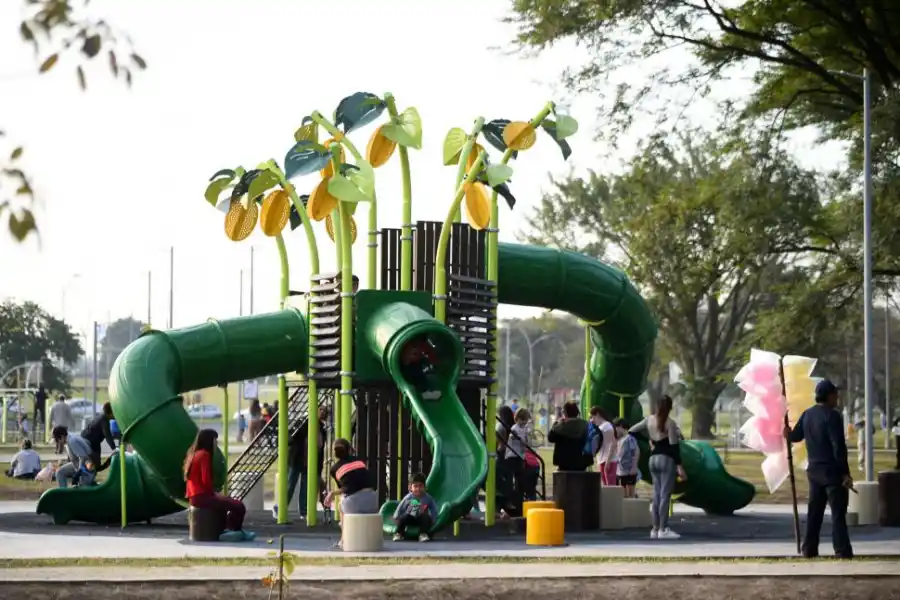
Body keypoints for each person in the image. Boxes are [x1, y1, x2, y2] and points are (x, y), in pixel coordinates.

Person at [784, 379, 853, 559]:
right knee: (838, 514)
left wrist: (787, 432)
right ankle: (842, 550)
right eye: (835, 394)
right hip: (832, 472)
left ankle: (809, 548)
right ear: (829, 396)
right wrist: (845, 473)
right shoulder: (833, 416)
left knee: (814, 513)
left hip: (814, 471)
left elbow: (795, 436)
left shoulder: (808, 414)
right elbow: (838, 446)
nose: (837, 397)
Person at [629, 395, 686, 540]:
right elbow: (674, 447)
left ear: (656, 406)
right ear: (670, 407)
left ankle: (654, 529)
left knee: (656, 495)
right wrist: (679, 466)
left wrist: (649, 440)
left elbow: (632, 431)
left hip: (652, 459)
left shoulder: (648, 420)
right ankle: (663, 528)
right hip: (666, 460)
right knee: (665, 495)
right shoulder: (670, 423)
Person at [184, 428, 255, 542]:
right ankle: (234, 530)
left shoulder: (194, 454)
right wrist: (214, 495)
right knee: (238, 506)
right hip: (202, 496)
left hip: (196, 496)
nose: (216, 443)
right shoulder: (204, 455)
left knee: (227, 502)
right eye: (215, 440)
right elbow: (206, 480)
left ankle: (231, 529)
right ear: (209, 440)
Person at [273, 406, 328, 520]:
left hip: (310, 461)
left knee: (306, 487)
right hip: (297, 459)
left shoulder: (322, 429)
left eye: (325, 410)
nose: (323, 412)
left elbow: (321, 448)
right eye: (320, 409)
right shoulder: (303, 424)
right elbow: (292, 437)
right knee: (290, 485)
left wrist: (319, 467)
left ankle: (304, 511)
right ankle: (280, 508)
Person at [324, 438, 377, 548]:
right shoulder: (359, 461)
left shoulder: (334, 469)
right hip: (373, 500)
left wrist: (332, 493)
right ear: (349, 449)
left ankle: (343, 540)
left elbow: (347, 488)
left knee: (342, 503)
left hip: (354, 504)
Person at [392, 472, 438, 542]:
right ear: (410, 487)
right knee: (405, 516)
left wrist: (434, 519)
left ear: (425, 487)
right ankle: (399, 533)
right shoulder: (408, 497)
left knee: (426, 517)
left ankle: (423, 534)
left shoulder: (428, 498)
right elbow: (401, 507)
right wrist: (396, 516)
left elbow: (433, 508)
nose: (418, 489)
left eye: (420, 486)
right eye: (415, 486)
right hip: (410, 517)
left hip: (421, 519)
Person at [547, 401, 590, 472]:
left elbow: (550, 438)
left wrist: (556, 424)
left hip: (564, 461)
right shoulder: (585, 424)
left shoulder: (559, 426)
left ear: (565, 413)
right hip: (582, 461)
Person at [81, 402, 117, 470]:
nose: (116, 415)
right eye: (115, 412)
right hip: (89, 441)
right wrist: (114, 448)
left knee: (97, 466)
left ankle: (108, 461)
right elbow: (107, 435)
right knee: (95, 466)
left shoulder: (102, 417)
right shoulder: (104, 420)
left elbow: (107, 434)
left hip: (92, 441)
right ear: (110, 413)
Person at [590, 406, 617, 486]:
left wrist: (608, 461)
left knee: (610, 486)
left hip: (608, 460)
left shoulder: (607, 426)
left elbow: (613, 444)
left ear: (598, 415)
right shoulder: (600, 427)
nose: (592, 420)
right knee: (605, 485)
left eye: (593, 417)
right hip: (602, 459)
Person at [614, 418, 640, 498]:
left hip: (628, 471)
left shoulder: (629, 439)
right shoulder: (620, 440)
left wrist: (634, 467)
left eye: (616, 428)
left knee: (629, 494)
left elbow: (635, 452)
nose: (615, 430)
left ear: (621, 426)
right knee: (623, 495)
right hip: (621, 471)